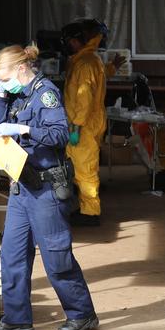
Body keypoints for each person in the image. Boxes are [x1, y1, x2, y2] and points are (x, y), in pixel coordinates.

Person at [0, 44, 98, 330]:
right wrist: (1, 94)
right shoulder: (18, 94)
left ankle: (82, 314)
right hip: (22, 186)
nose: (2, 83)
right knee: (12, 255)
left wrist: (24, 131)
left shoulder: (45, 93)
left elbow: (60, 134)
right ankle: (17, 318)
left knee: (56, 255)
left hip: (46, 187)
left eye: (4, 78)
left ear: (21, 69)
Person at [61, 20, 107, 227]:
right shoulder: (88, 60)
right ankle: (86, 206)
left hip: (83, 125)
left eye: (70, 41)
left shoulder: (85, 63)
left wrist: (76, 125)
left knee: (85, 169)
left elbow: (84, 96)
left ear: (78, 41)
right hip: (87, 123)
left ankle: (90, 213)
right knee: (82, 167)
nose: (68, 45)